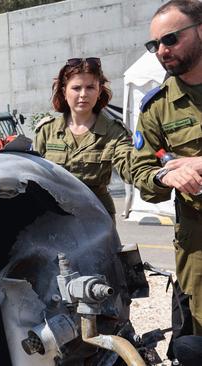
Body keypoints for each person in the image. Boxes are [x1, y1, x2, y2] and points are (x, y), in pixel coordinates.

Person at [130, 0, 202, 342]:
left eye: (170, 39)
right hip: (197, 242)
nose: (161, 50)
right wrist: (164, 176)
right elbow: (142, 169)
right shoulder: (156, 108)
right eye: (154, 44)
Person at [34, 57, 133, 219]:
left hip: (97, 215)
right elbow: (34, 174)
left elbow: (130, 167)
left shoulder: (114, 131)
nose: (83, 94)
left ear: (99, 91)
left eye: (90, 87)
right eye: (76, 88)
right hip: (55, 214)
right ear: (64, 91)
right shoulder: (47, 130)